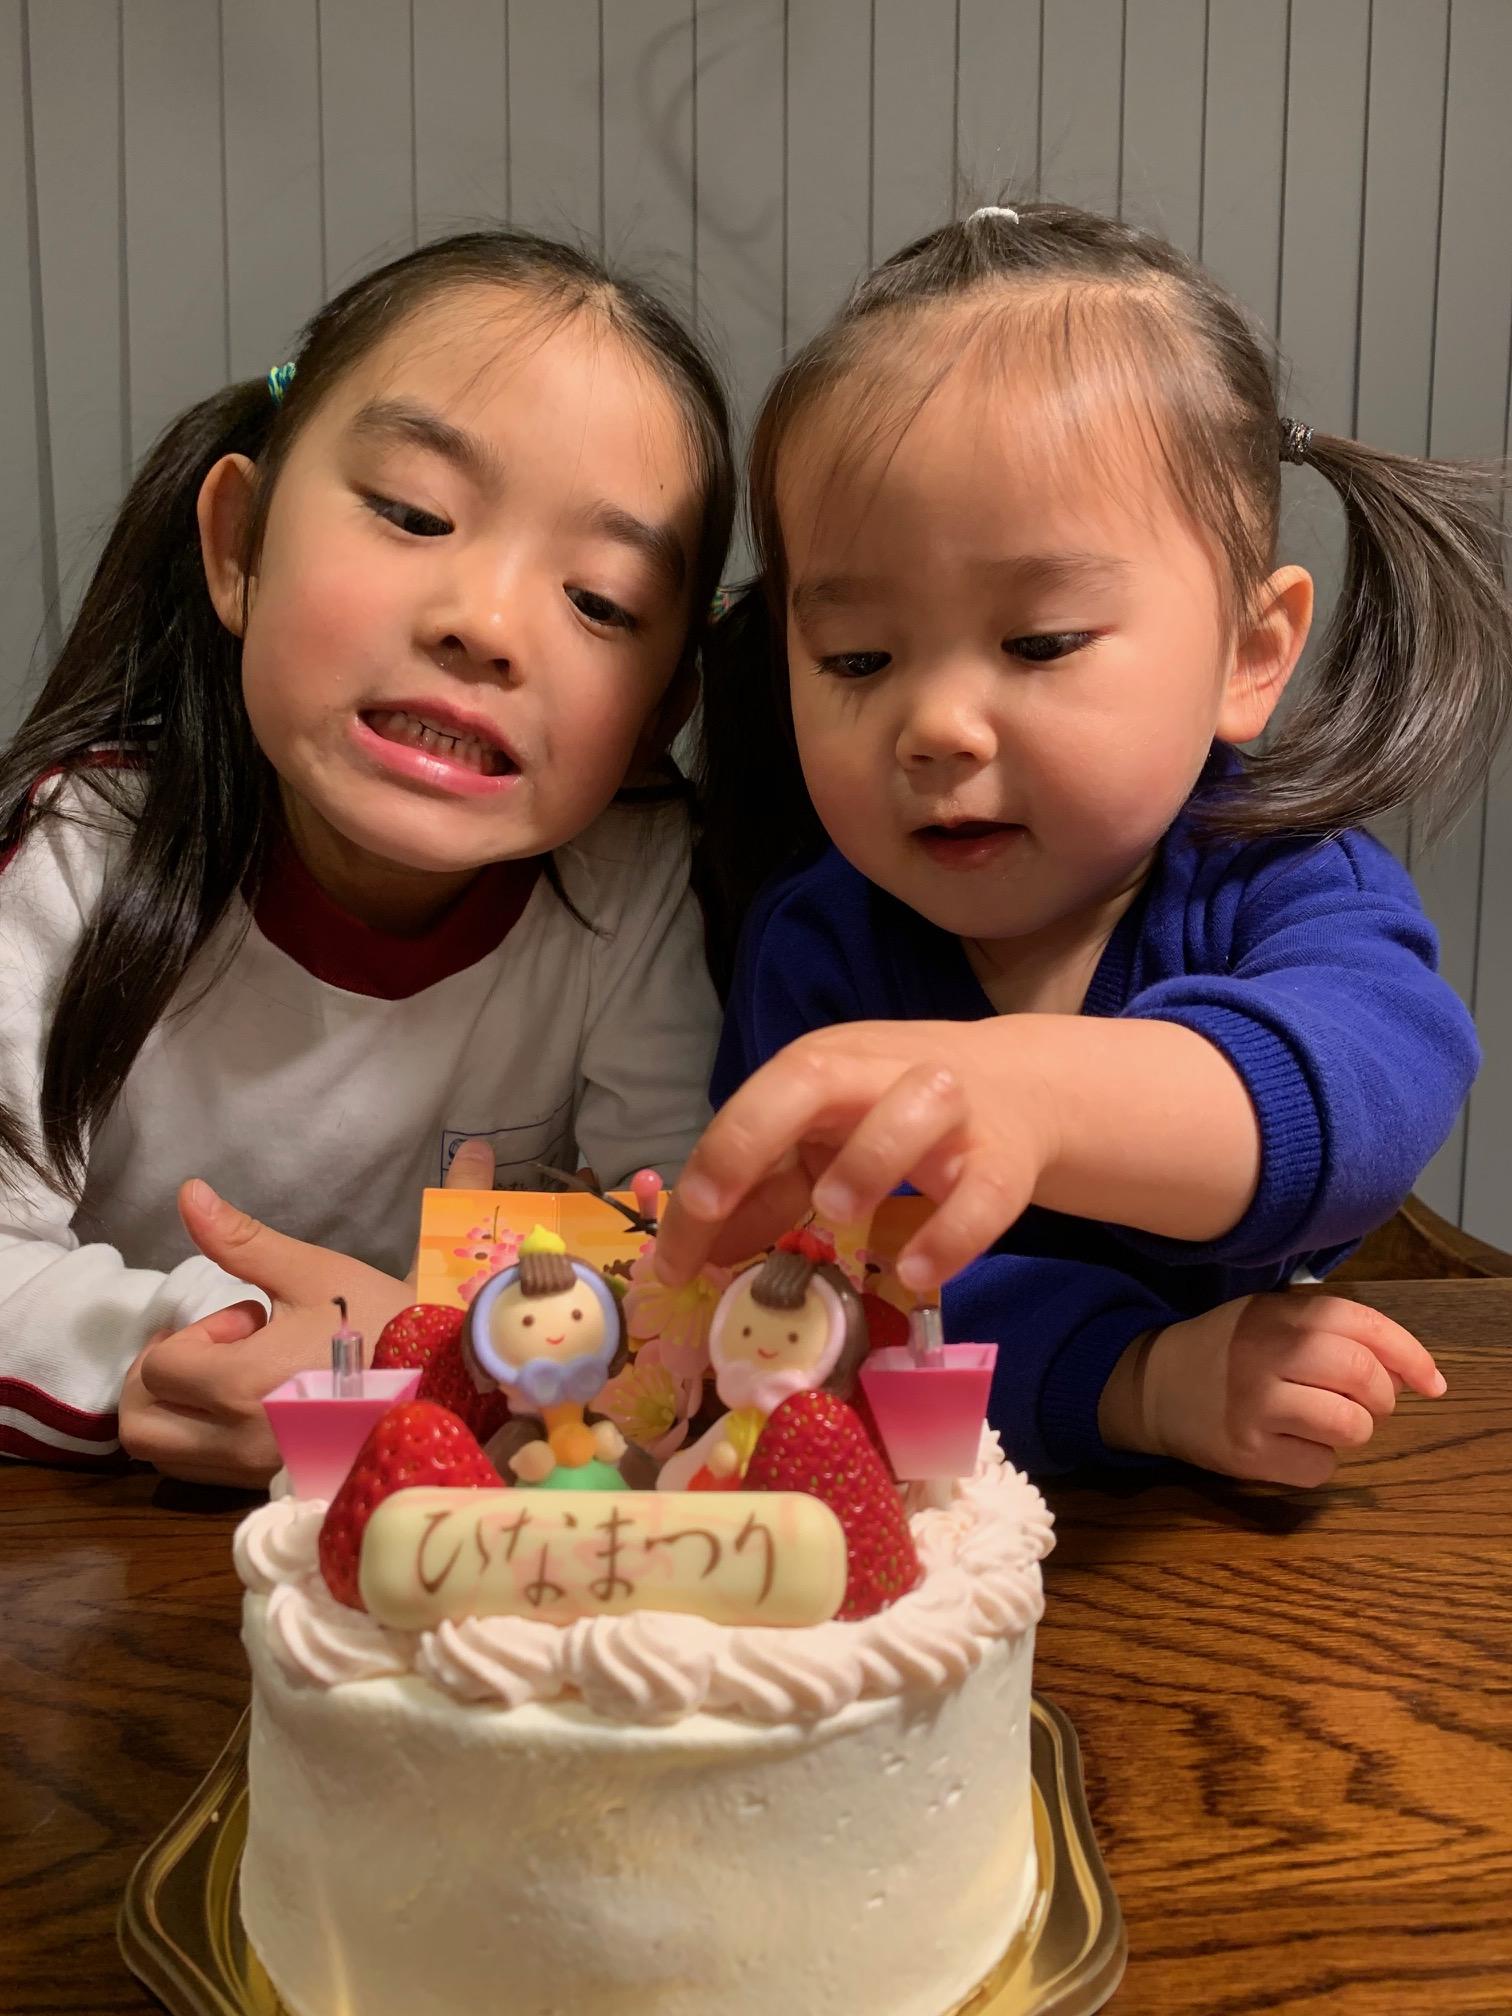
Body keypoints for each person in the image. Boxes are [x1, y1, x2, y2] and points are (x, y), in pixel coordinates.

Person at [659, 199, 1511, 1488]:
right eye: (857, 659)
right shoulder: (819, 944)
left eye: (1039, 643)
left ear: (1249, 655)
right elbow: (833, 1300)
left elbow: (1377, 1082)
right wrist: (1137, 1377)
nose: (936, 726)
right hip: (938, 1514)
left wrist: (1035, 1096)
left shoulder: (1276, 875)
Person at [0, 230, 734, 1483]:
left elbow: (676, 1269)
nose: (486, 625)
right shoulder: (81, 850)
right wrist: (187, 1345)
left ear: (659, 712)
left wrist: (419, 1356)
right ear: (240, 545)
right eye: (413, 514)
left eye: (600, 601)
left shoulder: (634, 883)